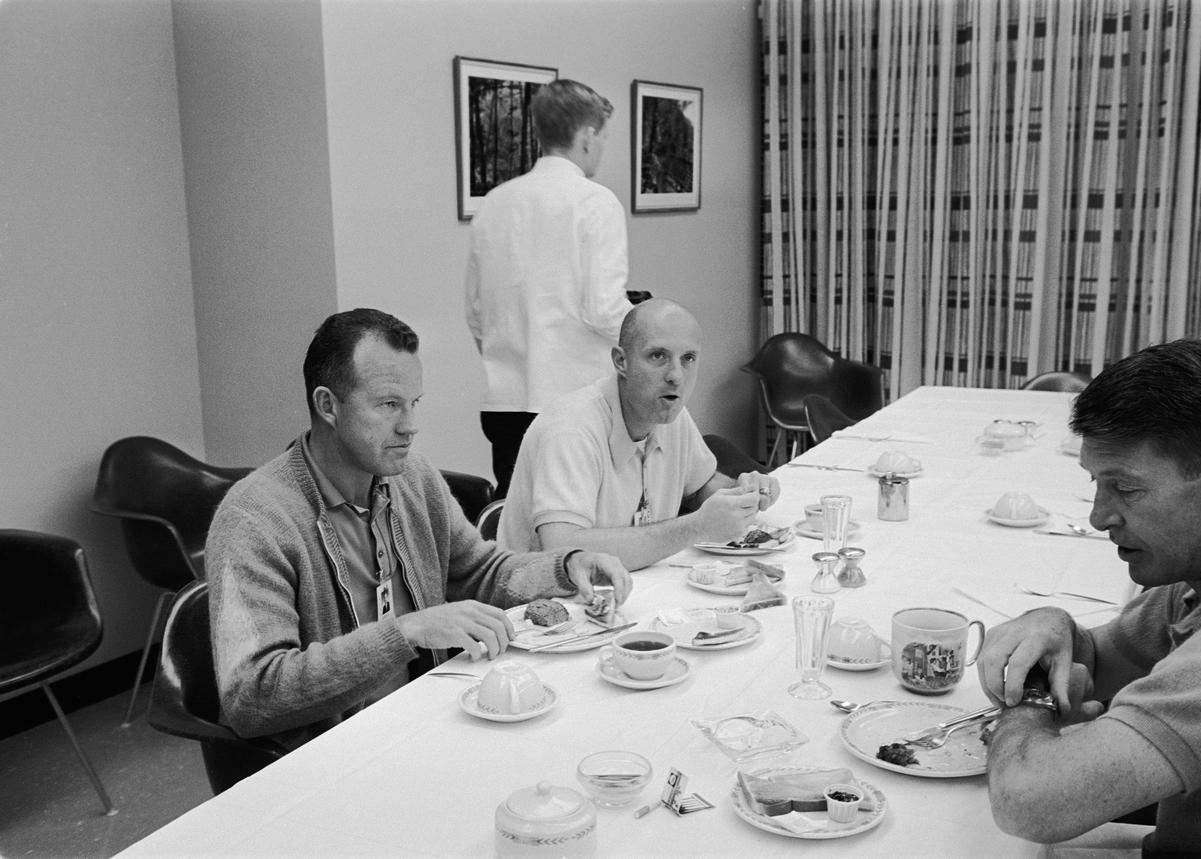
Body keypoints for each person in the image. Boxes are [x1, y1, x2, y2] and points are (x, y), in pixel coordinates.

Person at [206, 308, 630, 751]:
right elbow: (253, 697)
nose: (410, 426)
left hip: (434, 718)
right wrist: (406, 632)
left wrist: (566, 567)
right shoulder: (254, 518)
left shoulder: (410, 477)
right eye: (389, 404)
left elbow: (480, 572)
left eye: (414, 404)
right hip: (334, 756)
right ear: (327, 405)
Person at [977, 339, 1201, 855]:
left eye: (1127, 489)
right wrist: (1052, 624)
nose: (1099, 517)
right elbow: (1098, 663)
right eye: (1097, 483)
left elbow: (1029, 802)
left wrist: (1028, 704)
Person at [498, 299, 781, 571]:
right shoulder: (571, 430)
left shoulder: (672, 414)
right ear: (621, 361)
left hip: (625, 586)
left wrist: (741, 494)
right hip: (542, 606)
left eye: (688, 359)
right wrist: (697, 527)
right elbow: (563, 550)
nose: (676, 376)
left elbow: (700, 486)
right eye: (658, 356)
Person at [465, 78, 631, 499]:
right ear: (588, 135)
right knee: (577, 528)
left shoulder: (494, 203)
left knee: (514, 528)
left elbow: (476, 315)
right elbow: (604, 310)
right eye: (604, 137)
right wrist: (648, 330)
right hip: (573, 404)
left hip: (505, 404)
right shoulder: (595, 202)